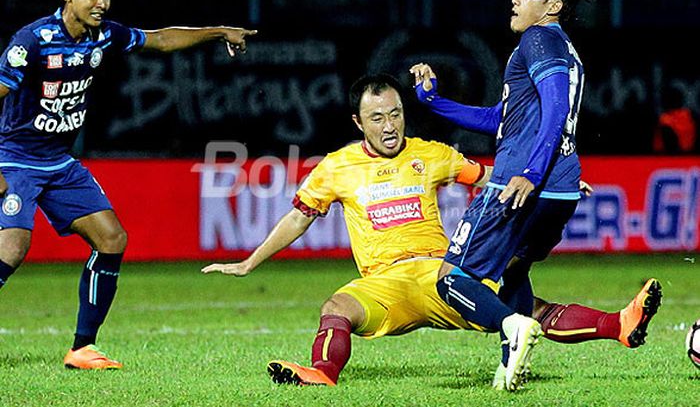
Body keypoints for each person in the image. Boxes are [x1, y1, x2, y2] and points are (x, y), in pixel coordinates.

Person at [203, 73, 661, 388]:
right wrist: (249, 262)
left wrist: (552, 182)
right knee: (337, 305)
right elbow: (299, 216)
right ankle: (322, 372)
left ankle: (617, 325)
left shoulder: (431, 153)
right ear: (358, 123)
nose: (390, 125)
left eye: (396, 113)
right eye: (377, 118)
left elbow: (491, 179)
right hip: (384, 286)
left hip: (443, 274)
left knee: (530, 310)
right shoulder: (337, 167)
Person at [410, 0, 661, 391]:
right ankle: (513, 363)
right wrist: (434, 104)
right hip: (558, 190)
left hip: (521, 183)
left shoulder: (538, 40)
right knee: (514, 271)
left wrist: (530, 171)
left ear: (552, 6)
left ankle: (512, 326)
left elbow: (556, 110)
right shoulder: (559, 47)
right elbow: (501, 119)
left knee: (452, 279)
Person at [0, 0, 256, 370]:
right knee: (11, 249)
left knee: (112, 239)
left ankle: (82, 348)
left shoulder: (103, 36)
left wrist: (219, 31)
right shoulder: (32, 41)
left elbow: (160, 38)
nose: (103, 2)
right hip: (16, 159)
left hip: (59, 163)